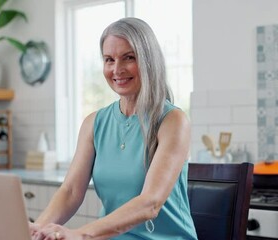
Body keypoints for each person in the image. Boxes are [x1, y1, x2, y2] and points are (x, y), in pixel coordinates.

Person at [29, 17, 197, 240]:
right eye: (109, 60)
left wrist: (80, 234)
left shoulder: (172, 121)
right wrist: (37, 230)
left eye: (128, 58)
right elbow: (70, 191)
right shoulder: (94, 123)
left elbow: (150, 204)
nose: (117, 69)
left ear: (148, 61)